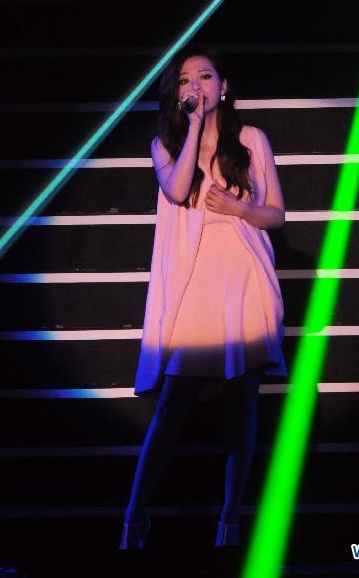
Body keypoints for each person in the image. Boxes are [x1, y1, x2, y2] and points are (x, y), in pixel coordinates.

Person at [119, 45, 287, 550]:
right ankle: (134, 516)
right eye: (187, 79)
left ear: (224, 87)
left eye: (206, 76)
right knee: (173, 406)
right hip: (194, 285)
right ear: (178, 93)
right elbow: (175, 190)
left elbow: (277, 214)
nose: (197, 85)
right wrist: (191, 127)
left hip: (243, 279)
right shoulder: (163, 144)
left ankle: (231, 521)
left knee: (242, 406)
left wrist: (239, 206)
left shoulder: (252, 140)